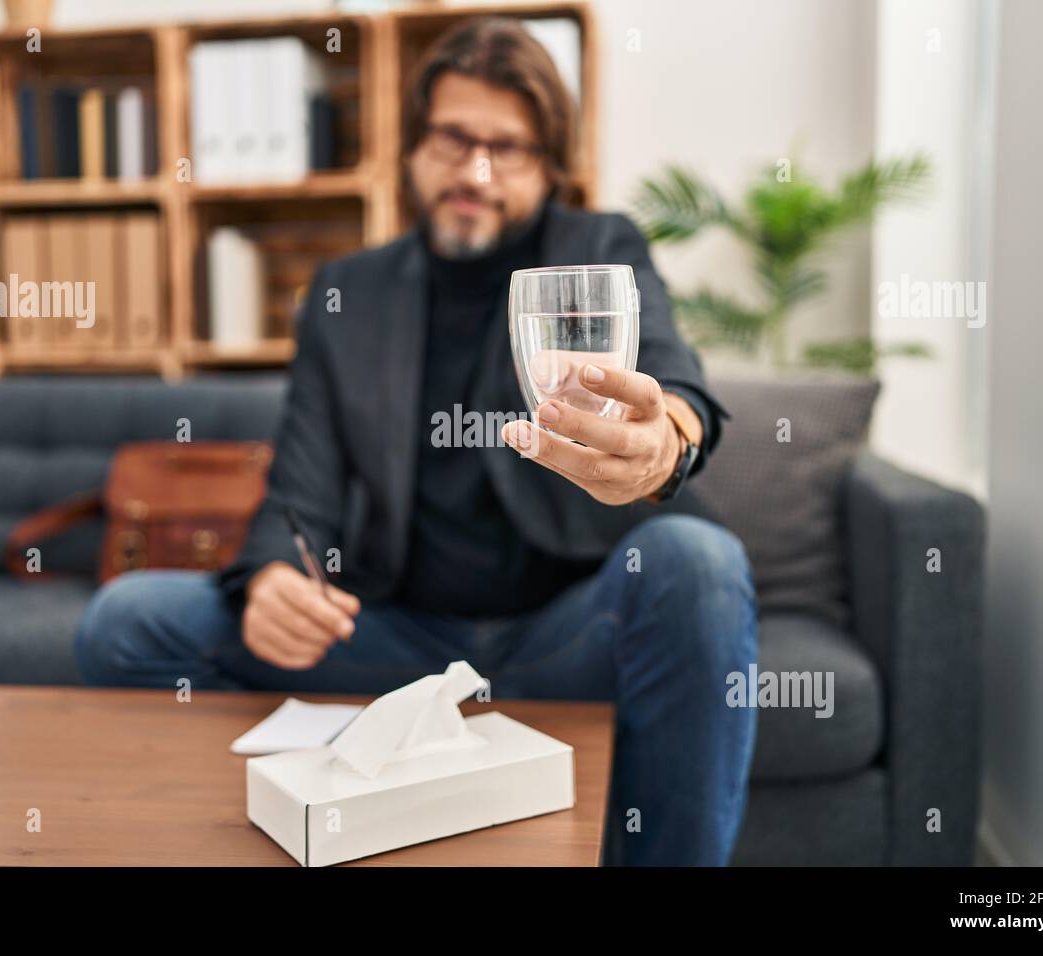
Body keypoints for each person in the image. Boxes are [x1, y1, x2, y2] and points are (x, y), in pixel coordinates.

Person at [75, 16, 757, 867]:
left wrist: (668, 443)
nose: (474, 170)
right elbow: (300, 489)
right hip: (400, 644)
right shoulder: (347, 293)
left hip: (564, 637)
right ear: (411, 146)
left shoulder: (599, 249)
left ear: (549, 166)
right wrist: (276, 577)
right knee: (126, 621)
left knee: (698, 563)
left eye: (506, 148)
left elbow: (676, 386)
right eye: (452, 138)